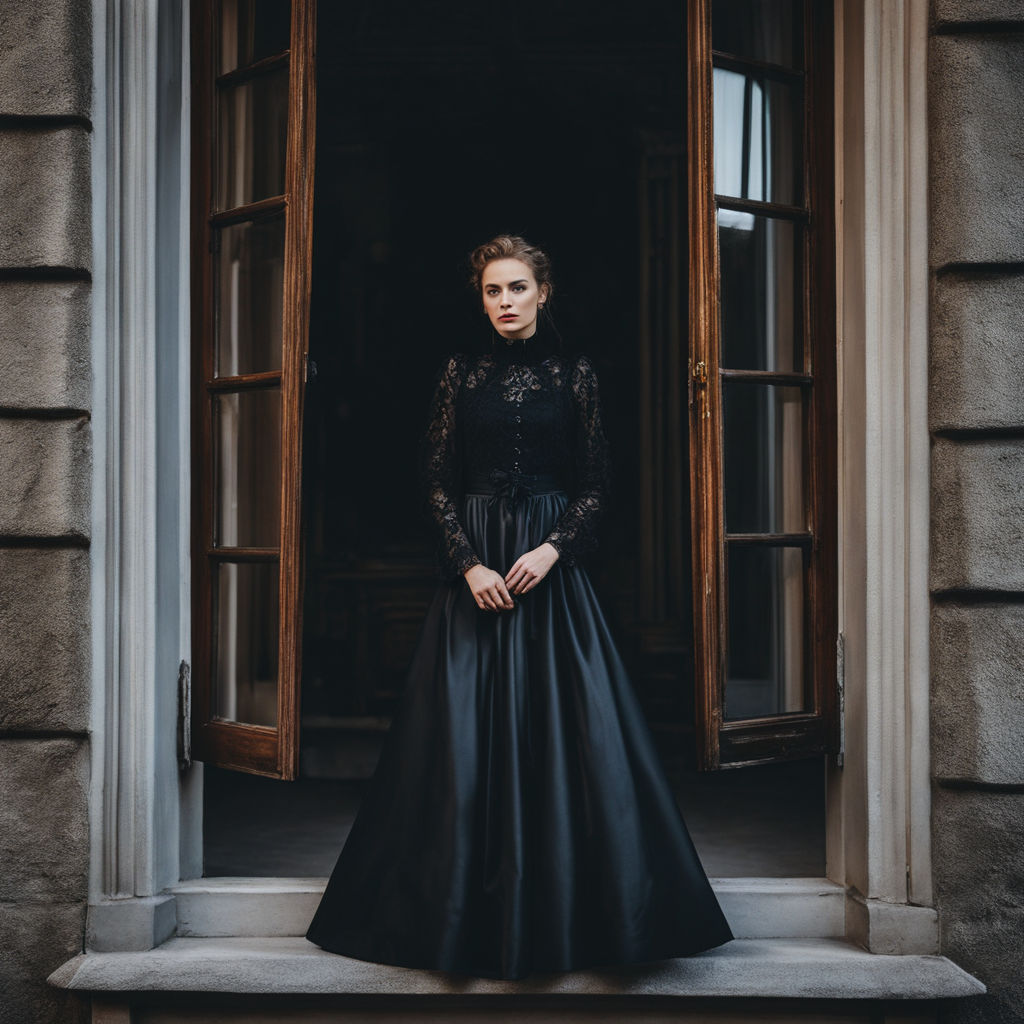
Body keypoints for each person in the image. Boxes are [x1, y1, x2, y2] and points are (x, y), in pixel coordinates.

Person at [305, 234, 734, 979]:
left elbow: (599, 483)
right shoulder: (458, 373)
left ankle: (582, 919)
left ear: (544, 293)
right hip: (476, 575)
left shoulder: (575, 376)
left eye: (517, 289)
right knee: (459, 744)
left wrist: (552, 548)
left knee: (577, 736)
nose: (505, 302)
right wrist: (468, 562)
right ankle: (456, 926)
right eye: (492, 291)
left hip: (547, 572)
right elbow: (434, 480)